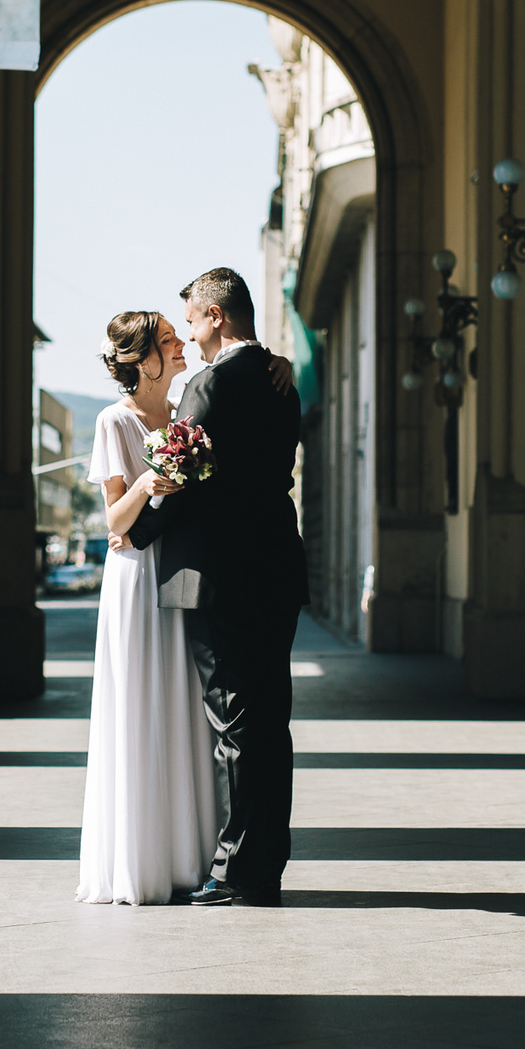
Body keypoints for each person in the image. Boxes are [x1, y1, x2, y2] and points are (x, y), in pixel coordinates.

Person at [125, 268, 310, 907]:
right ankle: (267, 862)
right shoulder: (280, 380)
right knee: (271, 720)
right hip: (277, 568)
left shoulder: (209, 385)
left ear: (216, 317)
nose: (191, 336)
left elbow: (180, 475)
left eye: (194, 322)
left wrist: (134, 532)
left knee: (234, 721)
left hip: (222, 578)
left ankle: (238, 871)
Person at [76, 310, 217, 904]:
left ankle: (189, 855)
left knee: (183, 701)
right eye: (167, 339)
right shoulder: (114, 421)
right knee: (139, 702)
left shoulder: (188, 406)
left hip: (182, 568)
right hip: (135, 576)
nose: (181, 341)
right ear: (140, 360)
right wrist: (146, 483)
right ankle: (141, 861)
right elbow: (113, 521)